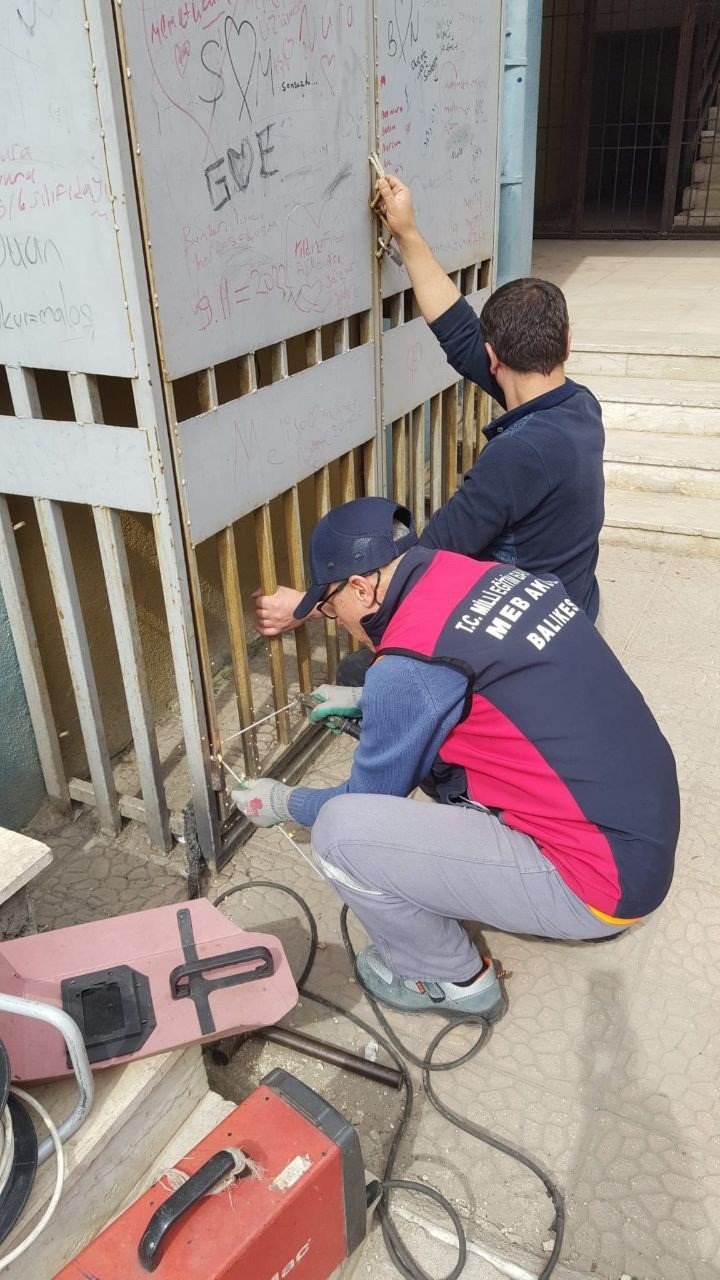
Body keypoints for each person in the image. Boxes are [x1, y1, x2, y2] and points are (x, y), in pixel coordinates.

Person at [235, 498, 679, 1022]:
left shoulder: (407, 669)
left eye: (330, 608)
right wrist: (364, 700)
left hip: (601, 884)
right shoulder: (475, 574)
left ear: (361, 587)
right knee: (436, 768)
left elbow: (364, 799)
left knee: (340, 832)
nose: (335, 622)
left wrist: (285, 801)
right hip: (640, 829)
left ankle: (451, 977)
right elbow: (471, 680)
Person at [253, 173, 605, 658]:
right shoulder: (578, 405)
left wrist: (312, 605)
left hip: (529, 638)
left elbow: (427, 563)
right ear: (566, 344)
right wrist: (407, 233)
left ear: (494, 357)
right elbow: (460, 336)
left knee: (364, 678)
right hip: (572, 603)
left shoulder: (520, 455)